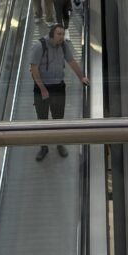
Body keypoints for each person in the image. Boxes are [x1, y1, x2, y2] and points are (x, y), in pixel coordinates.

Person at [30, 23, 88, 161]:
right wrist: (43, 89)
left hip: (58, 87)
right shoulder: (39, 46)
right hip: (42, 87)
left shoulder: (63, 45)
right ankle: (44, 147)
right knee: (42, 120)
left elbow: (71, 61)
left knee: (59, 118)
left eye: (63, 34)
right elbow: (34, 69)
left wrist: (82, 77)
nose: (61, 37)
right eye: (59, 34)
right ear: (52, 34)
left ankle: (59, 144)